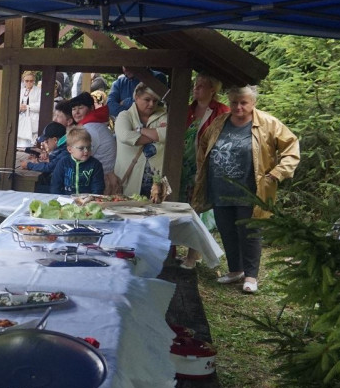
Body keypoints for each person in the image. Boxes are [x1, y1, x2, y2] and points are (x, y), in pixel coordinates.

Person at [192, 85, 299, 293]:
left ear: (253, 103)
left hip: (251, 189)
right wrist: (203, 171)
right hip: (220, 187)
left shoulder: (268, 123)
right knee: (227, 229)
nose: (238, 107)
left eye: (244, 103)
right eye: (234, 102)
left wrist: (277, 173)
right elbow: (204, 144)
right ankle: (235, 270)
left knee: (249, 232)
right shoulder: (220, 122)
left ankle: (251, 277)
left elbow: (292, 148)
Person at [180, 74, 230, 269]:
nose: (196, 89)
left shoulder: (221, 111)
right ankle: (189, 252)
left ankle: (193, 256)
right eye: (195, 85)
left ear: (213, 90)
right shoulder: (188, 110)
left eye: (201, 86)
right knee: (184, 208)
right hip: (185, 166)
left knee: (196, 209)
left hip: (204, 167)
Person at [114, 83, 168, 197]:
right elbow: (125, 136)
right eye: (147, 99)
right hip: (130, 179)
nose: (151, 104)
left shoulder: (164, 115)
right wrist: (155, 136)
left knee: (160, 212)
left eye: (155, 100)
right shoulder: (124, 115)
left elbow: (169, 135)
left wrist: (140, 130)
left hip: (158, 180)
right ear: (136, 98)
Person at [70, 91, 119, 193]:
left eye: (80, 108)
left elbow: (78, 157)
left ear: (92, 108)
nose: (76, 112)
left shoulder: (90, 129)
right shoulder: (94, 124)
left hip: (100, 181)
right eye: (74, 109)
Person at [51, 127, 105, 195]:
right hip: (66, 200)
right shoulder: (63, 163)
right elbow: (55, 185)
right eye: (81, 148)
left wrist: (92, 199)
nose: (86, 151)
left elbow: (98, 188)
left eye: (88, 147)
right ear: (70, 149)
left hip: (88, 201)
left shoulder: (96, 165)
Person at [21, 122, 67, 193]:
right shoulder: (62, 148)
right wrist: (39, 161)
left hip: (63, 189)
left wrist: (29, 165)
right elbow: (51, 160)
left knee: (32, 189)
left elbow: (49, 167)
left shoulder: (65, 151)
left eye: (46, 141)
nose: (45, 143)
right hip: (60, 185)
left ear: (55, 140)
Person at [17, 70, 41, 148]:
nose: (29, 83)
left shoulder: (38, 91)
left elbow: (40, 105)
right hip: (21, 119)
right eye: (26, 81)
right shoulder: (20, 91)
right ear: (23, 81)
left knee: (31, 144)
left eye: (31, 81)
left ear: (34, 81)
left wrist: (28, 107)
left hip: (33, 119)